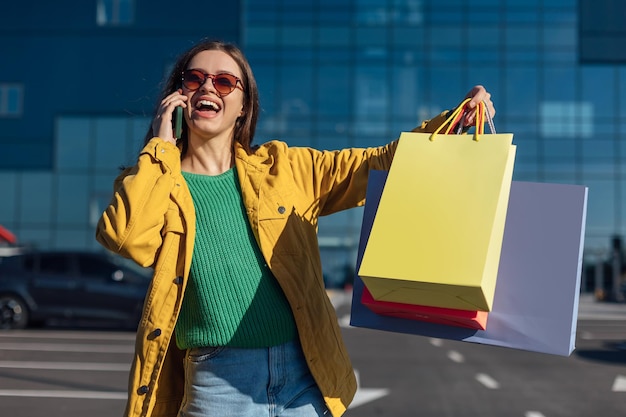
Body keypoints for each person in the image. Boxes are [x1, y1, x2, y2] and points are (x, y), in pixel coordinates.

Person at [96, 38, 495, 417]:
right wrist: (162, 146)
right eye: (194, 78)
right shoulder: (156, 180)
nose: (208, 88)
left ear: (243, 107)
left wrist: (455, 119)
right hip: (217, 383)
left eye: (224, 81)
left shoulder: (285, 169)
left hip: (302, 376)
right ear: (179, 95)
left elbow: (378, 163)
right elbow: (126, 237)